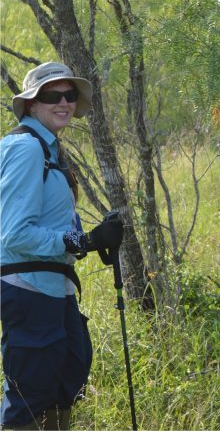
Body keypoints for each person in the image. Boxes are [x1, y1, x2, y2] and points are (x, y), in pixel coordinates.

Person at [1, 62, 123, 430]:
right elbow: (13, 235)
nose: (65, 102)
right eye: (53, 95)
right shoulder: (26, 148)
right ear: (32, 104)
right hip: (28, 289)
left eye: (70, 95)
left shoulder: (50, 151)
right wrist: (81, 240)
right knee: (29, 396)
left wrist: (93, 238)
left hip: (54, 287)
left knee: (68, 377)